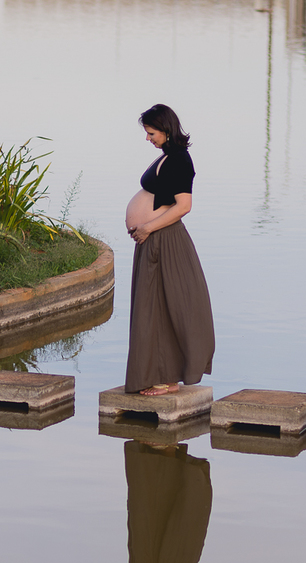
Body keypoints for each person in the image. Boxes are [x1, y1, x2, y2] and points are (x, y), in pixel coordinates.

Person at [124, 104, 215, 396]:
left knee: (166, 308)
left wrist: (149, 227)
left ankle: (168, 378)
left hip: (165, 240)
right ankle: (158, 373)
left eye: (151, 133)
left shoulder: (179, 160)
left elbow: (184, 206)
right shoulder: (167, 157)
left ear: (165, 130)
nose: (148, 138)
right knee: (153, 309)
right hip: (152, 240)